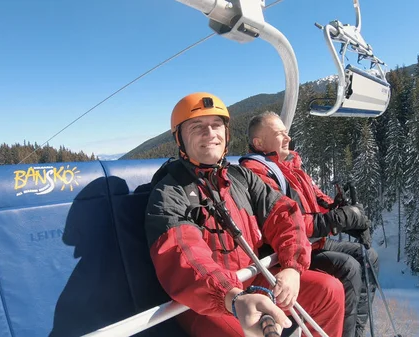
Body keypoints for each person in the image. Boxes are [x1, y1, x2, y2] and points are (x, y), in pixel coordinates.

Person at [144, 93, 344, 337]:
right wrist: (232, 296)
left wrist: (292, 267)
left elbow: (285, 214)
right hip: (208, 302)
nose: (210, 134)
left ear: (226, 133)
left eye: (216, 125)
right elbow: (183, 255)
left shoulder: (241, 178)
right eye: (197, 127)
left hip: (252, 282)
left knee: (329, 291)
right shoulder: (170, 193)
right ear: (180, 139)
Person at [240, 111, 380, 337]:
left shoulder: (291, 167)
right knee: (349, 268)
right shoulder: (257, 173)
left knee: (367, 255)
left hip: (312, 243)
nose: (287, 138)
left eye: (287, 133)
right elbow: (287, 220)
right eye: (280, 134)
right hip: (286, 250)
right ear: (259, 142)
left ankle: (356, 331)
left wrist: (339, 210)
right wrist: (335, 220)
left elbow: (317, 200)